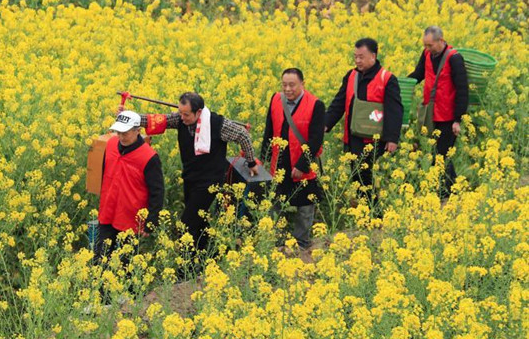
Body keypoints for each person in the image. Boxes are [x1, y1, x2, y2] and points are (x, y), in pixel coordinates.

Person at [139, 92, 258, 253]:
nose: (182, 117)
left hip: (210, 181)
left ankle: (186, 261)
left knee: (187, 223)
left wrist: (251, 162)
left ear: (199, 112)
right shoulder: (181, 119)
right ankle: (205, 253)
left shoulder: (218, 124)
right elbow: (159, 120)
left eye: (186, 114)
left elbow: (243, 135)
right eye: (180, 113)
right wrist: (129, 118)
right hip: (190, 178)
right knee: (199, 219)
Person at [325, 38, 403, 209]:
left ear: (373, 56)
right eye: (355, 57)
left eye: (361, 57)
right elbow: (339, 103)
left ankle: (374, 212)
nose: (357, 60)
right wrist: (326, 123)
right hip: (353, 135)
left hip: (373, 138)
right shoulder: (351, 76)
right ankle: (367, 212)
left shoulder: (387, 79)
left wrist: (392, 138)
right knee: (358, 175)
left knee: (364, 175)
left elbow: (394, 111)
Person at [260, 68, 325, 250]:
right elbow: (269, 130)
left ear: (302, 84)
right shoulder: (276, 99)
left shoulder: (316, 105)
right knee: (276, 203)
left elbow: (316, 140)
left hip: (301, 162)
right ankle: (278, 243)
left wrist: (303, 165)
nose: (287, 89)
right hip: (279, 161)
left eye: (292, 85)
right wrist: (263, 158)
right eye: (284, 85)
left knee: (305, 204)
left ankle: (301, 243)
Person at [408, 25, 469, 198]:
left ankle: (445, 193)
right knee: (439, 154)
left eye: (430, 45)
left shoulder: (454, 58)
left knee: (441, 155)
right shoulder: (427, 54)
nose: (427, 48)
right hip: (431, 114)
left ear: (441, 40)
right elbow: (419, 74)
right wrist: (401, 84)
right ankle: (454, 190)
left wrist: (458, 119)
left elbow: (462, 90)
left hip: (448, 116)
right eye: (425, 45)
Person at [95, 110, 164, 263]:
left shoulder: (149, 157)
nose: (120, 136)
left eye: (125, 133)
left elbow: (157, 192)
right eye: (118, 132)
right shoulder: (111, 144)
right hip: (108, 212)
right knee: (100, 259)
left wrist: (151, 221)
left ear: (137, 131)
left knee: (128, 264)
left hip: (131, 218)